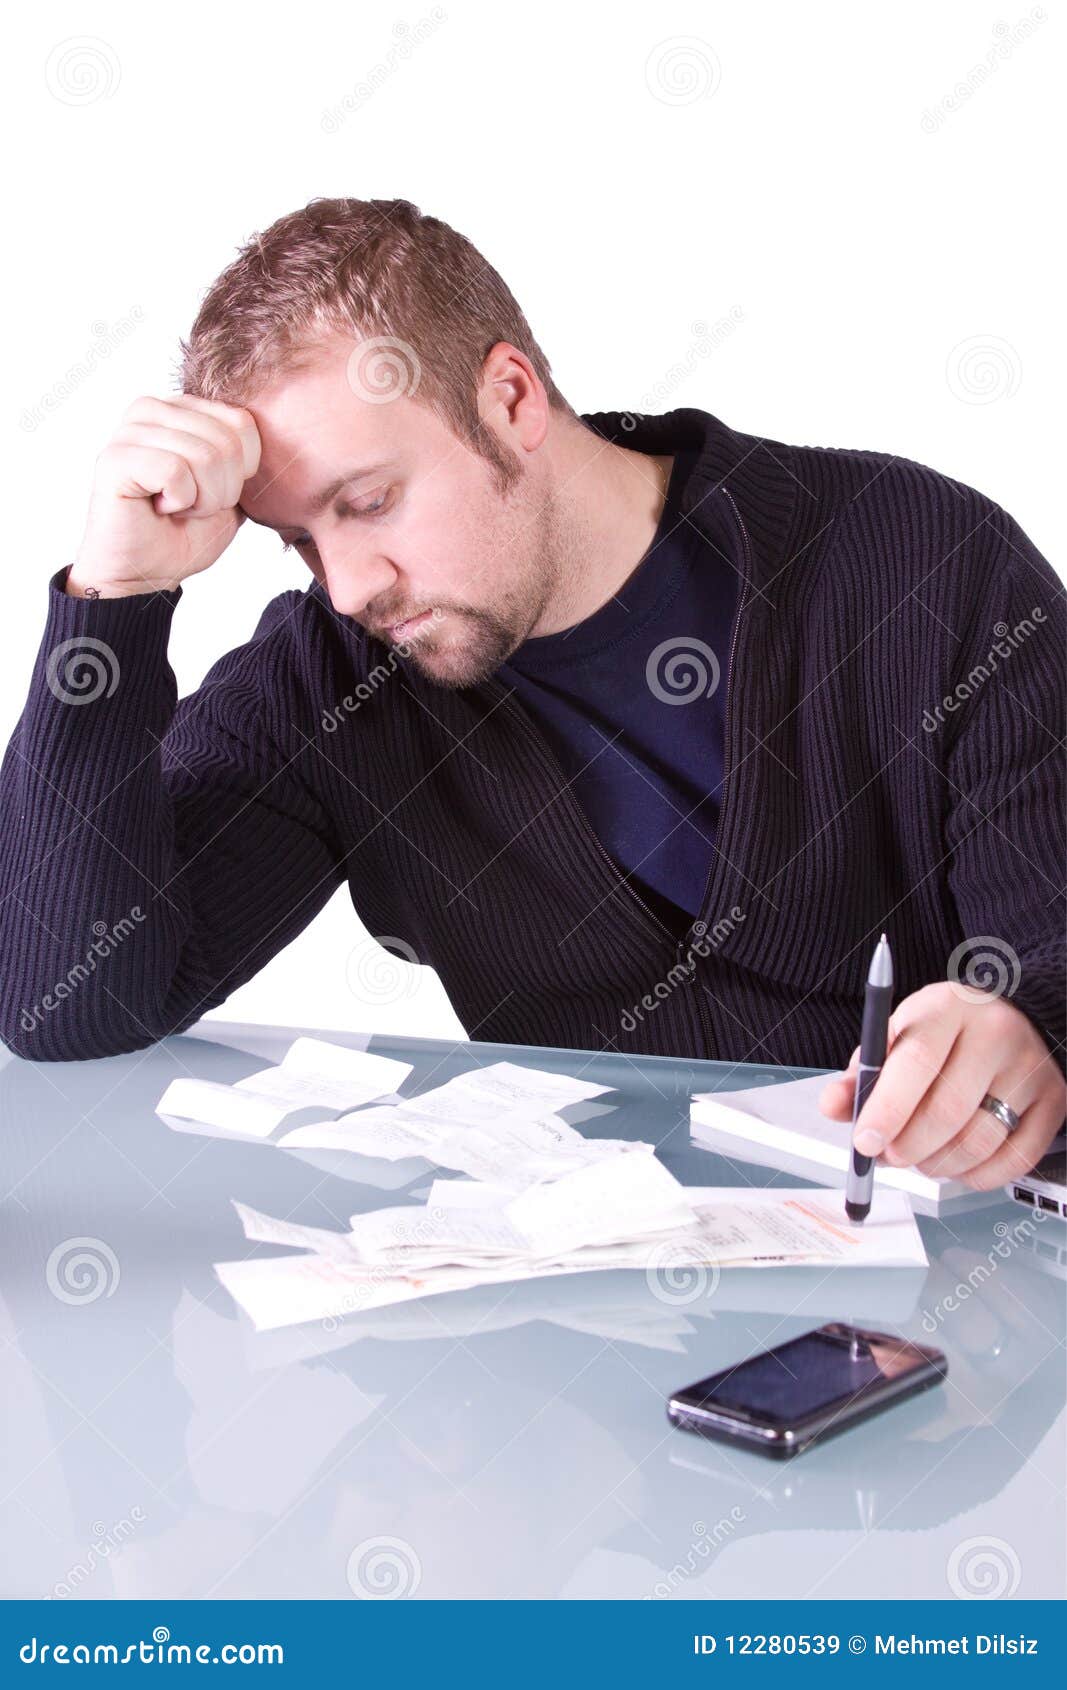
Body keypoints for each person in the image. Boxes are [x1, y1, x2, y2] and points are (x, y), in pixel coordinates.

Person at [0, 196, 1063, 1189]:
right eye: (298, 542)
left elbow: (1051, 967)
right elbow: (70, 1000)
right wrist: (114, 600)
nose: (350, 585)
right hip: (586, 1325)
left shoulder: (918, 561)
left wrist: (1032, 1035)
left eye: (367, 501)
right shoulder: (329, 683)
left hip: (957, 1312)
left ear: (509, 399)